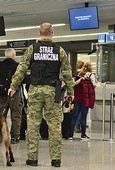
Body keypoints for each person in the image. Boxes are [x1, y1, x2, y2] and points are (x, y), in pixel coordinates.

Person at [8, 22, 74, 167]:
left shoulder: (32, 49)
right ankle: (56, 160)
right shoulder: (59, 51)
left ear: (39, 32)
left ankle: (32, 159)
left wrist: (13, 86)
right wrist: (71, 92)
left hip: (35, 91)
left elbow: (21, 69)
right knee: (55, 126)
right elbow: (67, 73)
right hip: (53, 92)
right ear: (52, 33)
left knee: (32, 125)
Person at [69, 62, 96, 140]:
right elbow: (93, 85)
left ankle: (70, 134)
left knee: (74, 116)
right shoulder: (91, 76)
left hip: (77, 98)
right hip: (85, 99)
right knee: (83, 117)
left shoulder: (78, 75)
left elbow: (73, 84)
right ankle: (83, 134)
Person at [0, 48, 23, 144]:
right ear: (14, 56)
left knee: (1, 115)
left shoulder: (0, 65)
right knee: (16, 115)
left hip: (1, 94)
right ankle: (14, 137)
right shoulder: (18, 66)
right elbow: (24, 79)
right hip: (15, 94)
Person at [74, 60, 84, 133]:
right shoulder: (84, 74)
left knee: (76, 111)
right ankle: (77, 126)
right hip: (82, 95)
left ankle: (74, 126)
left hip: (76, 94)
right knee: (82, 111)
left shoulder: (74, 74)